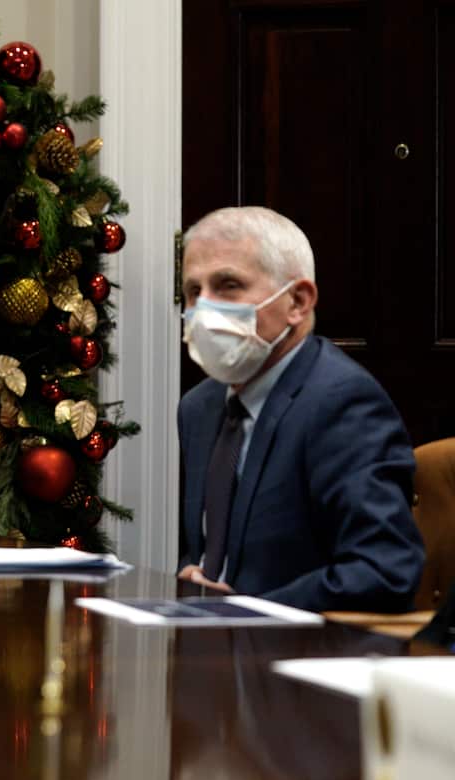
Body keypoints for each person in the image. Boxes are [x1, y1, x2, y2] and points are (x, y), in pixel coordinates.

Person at [176, 207, 423, 612]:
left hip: (298, 656)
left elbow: (384, 571)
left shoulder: (341, 402)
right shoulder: (198, 407)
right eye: (192, 291)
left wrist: (247, 611)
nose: (203, 309)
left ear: (298, 301)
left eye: (228, 285)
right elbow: (209, 557)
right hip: (207, 650)